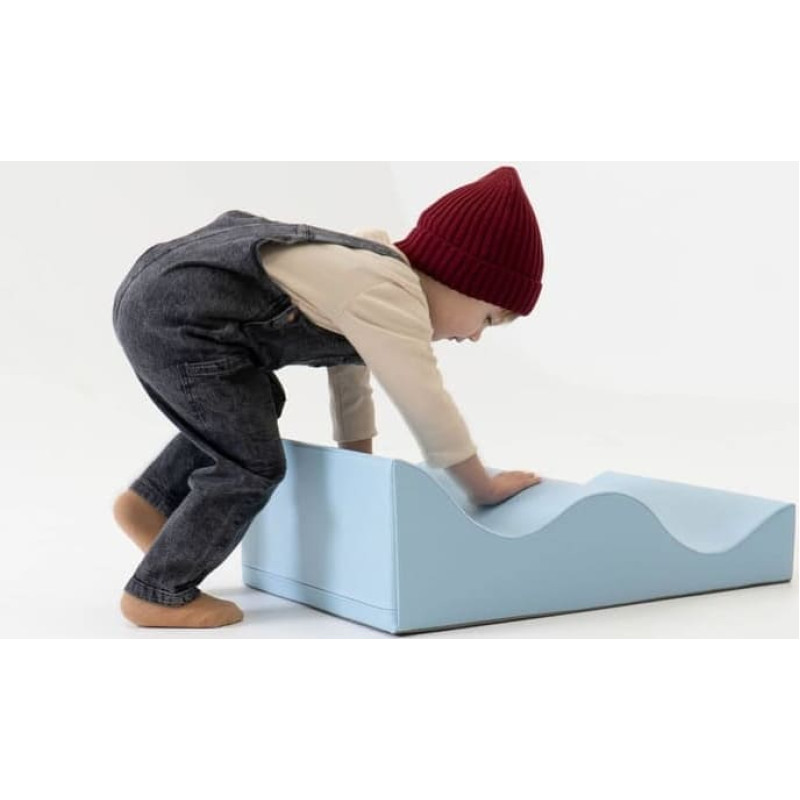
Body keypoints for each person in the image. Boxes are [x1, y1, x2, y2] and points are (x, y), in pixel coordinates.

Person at [111, 164, 545, 628]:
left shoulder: (370, 272)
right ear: (464, 278)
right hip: (179, 318)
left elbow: (350, 375)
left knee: (254, 406)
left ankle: (150, 504)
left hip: (165, 299)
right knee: (251, 466)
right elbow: (426, 403)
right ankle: (158, 591)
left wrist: (359, 464)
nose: (476, 336)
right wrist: (481, 486)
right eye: (488, 318)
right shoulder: (391, 296)